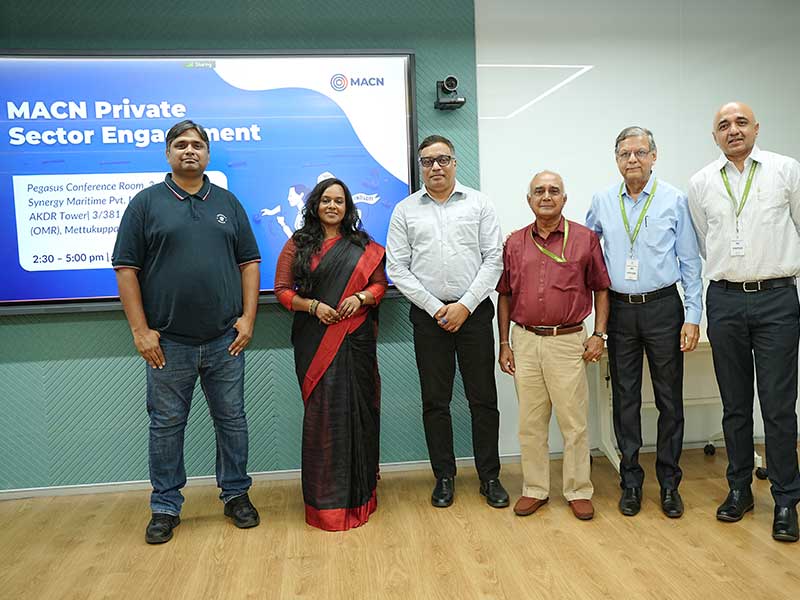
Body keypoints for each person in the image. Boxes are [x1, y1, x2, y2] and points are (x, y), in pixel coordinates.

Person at [112, 119, 262, 544]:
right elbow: (126, 269)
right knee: (166, 426)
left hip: (225, 341)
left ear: (208, 154)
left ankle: (236, 495)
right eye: (181, 145)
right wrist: (140, 331)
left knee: (232, 421)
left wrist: (249, 319)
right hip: (167, 343)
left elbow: (249, 263)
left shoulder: (228, 202)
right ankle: (164, 506)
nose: (189, 151)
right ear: (168, 154)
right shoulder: (145, 203)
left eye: (197, 144)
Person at [688, 101, 800, 543]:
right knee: (734, 404)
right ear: (714, 135)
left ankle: (786, 498)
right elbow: (705, 241)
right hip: (726, 300)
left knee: (778, 405)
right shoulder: (701, 182)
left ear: (756, 127)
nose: (732, 130)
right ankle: (739, 489)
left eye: (740, 123)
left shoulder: (785, 170)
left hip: (777, 298)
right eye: (723, 125)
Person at [386, 135, 508, 509]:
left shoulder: (479, 204)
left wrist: (465, 306)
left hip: (474, 314)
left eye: (442, 159)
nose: (435, 167)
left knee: (483, 399)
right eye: (428, 161)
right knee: (435, 402)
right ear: (420, 166)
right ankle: (444, 477)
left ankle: (490, 477)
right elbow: (397, 267)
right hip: (429, 319)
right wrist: (435, 306)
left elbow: (494, 259)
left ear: (454, 162)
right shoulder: (405, 210)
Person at [586, 126, 702, 519]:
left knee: (669, 399)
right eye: (625, 153)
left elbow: (690, 262)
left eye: (639, 152)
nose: (632, 159)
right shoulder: (602, 201)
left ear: (654, 156)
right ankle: (631, 482)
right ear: (616, 159)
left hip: (663, 308)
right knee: (625, 398)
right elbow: (588, 256)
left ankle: (669, 483)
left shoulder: (674, 200)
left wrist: (693, 316)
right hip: (620, 311)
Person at [274, 177, 387, 531]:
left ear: (348, 207)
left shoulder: (363, 246)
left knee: (359, 415)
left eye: (339, 201)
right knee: (323, 420)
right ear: (315, 205)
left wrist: (362, 297)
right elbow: (281, 290)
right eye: (326, 200)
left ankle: (361, 497)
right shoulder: (297, 244)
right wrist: (312, 306)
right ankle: (325, 506)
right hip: (314, 340)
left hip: (356, 340)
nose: (332, 206)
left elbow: (379, 284)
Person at [498, 171, 610, 520]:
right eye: (539, 191)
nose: (546, 196)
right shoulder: (514, 243)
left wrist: (599, 334)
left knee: (573, 423)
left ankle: (578, 490)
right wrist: (504, 343)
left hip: (567, 341)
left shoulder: (585, 239)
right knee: (530, 423)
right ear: (529, 199)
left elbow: (601, 288)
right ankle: (535, 489)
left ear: (564, 198)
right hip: (526, 340)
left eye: (553, 191)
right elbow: (505, 295)